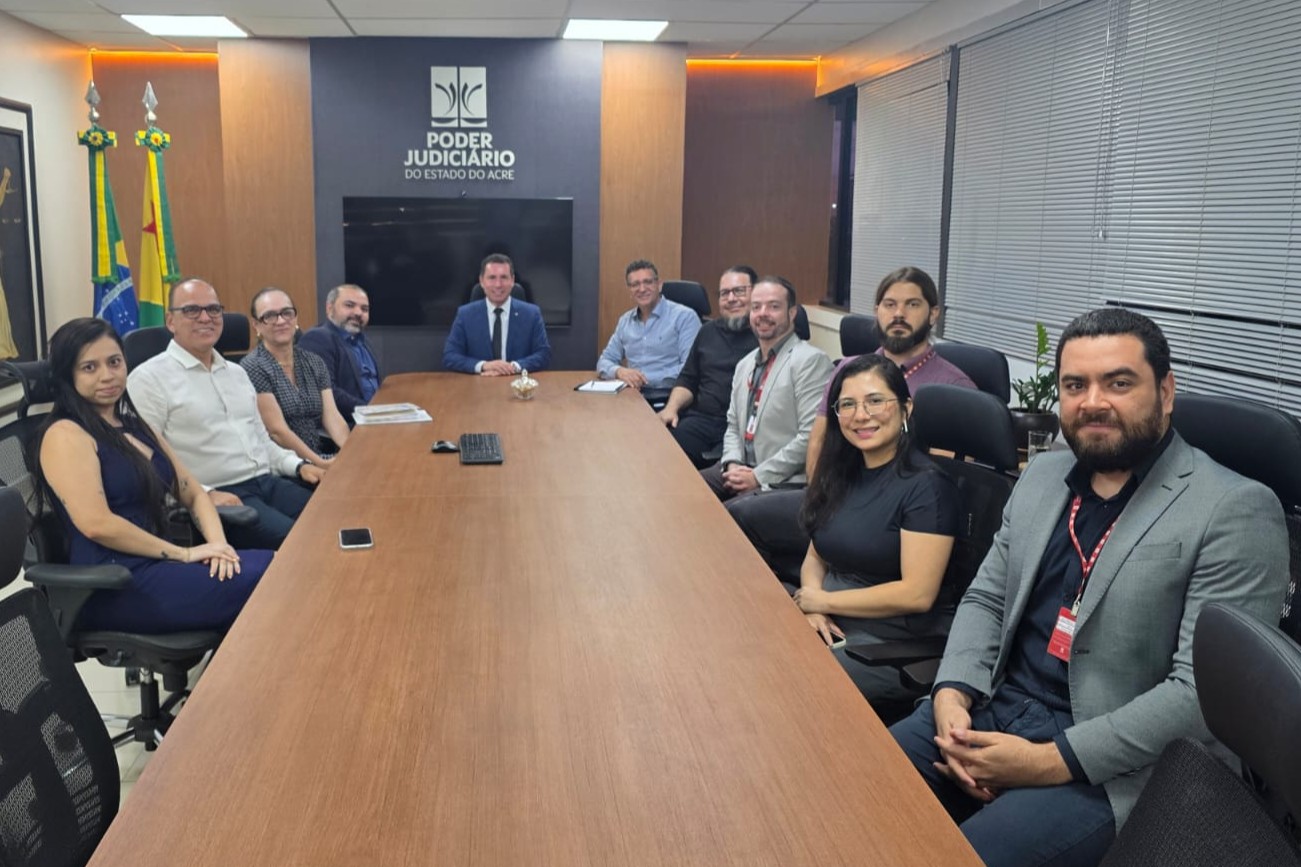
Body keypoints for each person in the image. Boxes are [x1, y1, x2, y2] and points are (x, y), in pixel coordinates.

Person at [890, 308, 1289, 867]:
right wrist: (952, 695)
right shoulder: (1042, 476)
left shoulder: (1235, 508)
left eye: (1118, 383)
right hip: (995, 708)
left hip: (1115, 762)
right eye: (1075, 385)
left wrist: (1047, 762)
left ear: (1166, 391)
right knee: (851, 783)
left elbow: (1200, 695)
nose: (1093, 402)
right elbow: (986, 599)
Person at [732, 266, 978, 587]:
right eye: (889, 304)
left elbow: (940, 478)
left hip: (893, 515)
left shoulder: (953, 388)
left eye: (912, 304)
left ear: (933, 314)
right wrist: (820, 500)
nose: (899, 314)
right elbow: (820, 441)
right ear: (876, 311)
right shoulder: (848, 370)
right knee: (738, 516)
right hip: (838, 496)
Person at [33, 317, 271, 633]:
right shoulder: (65, 434)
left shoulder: (133, 424)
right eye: (90, 367)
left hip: (161, 564)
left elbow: (193, 492)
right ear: (68, 375)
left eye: (114, 362)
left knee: (279, 569)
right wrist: (185, 553)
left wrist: (219, 547)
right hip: (114, 582)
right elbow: (97, 524)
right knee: (274, 580)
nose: (108, 375)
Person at [792, 354, 960, 703]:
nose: (860, 415)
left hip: (891, 646)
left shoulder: (927, 487)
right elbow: (816, 555)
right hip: (832, 619)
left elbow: (917, 594)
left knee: (790, 673)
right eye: (848, 405)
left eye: (875, 401)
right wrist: (813, 606)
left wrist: (824, 599)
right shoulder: (842, 471)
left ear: (906, 409)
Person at [128, 278, 325, 550]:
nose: (205, 318)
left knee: (335, 517)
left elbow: (261, 441)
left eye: (213, 309)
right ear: (171, 321)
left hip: (268, 482)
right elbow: (147, 461)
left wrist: (299, 466)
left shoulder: (237, 373)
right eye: (192, 310)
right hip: (220, 495)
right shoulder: (148, 379)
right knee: (305, 542)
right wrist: (204, 495)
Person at [700, 277, 832, 503]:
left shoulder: (810, 361)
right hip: (741, 466)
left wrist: (758, 476)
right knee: (681, 491)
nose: (763, 313)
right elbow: (733, 425)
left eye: (773, 306)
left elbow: (811, 436)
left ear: (792, 313)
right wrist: (732, 463)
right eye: (756, 307)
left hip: (783, 480)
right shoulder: (745, 364)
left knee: (722, 514)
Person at [658, 266, 760, 468]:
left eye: (739, 291)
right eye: (724, 293)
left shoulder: (765, 335)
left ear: (756, 294)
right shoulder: (707, 332)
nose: (731, 299)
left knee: (724, 472)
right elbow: (688, 379)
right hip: (701, 420)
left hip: (743, 427)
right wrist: (671, 408)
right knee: (662, 453)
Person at [242, 286, 351, 468]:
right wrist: (320, 463)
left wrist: (349, 452)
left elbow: (332, 416)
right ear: (256, 325)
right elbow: (277, 432)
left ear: (295, 318)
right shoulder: (253, 367)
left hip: (321, 455)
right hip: (286, 465)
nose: (280, 321)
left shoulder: (314, 361)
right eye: (270, 316)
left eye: (287, 313)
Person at [596, 259, 701, 397]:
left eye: (648, 282)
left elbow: (690, 369)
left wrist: (643, 379)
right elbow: (604, 361)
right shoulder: (625, 321)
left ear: (659, 285)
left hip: (669, 395)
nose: (642, 289)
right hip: (632, 394)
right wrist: (619, 372)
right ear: (630, 290)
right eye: (635, 284)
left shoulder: (685, 317)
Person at [443, 253, 551, 374]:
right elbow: (450, 356)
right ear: (482, 281)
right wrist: (483, 365)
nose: (498, 284)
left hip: (516, 382)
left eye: (504, 277)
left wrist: (513, 367)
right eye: (492, 278)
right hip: (478, 382)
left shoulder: (531, 314)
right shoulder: (465, 314)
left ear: (512, 280)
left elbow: (543, 354)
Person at [298, 283, 381, 423]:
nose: (358, 312)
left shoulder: (363, 341)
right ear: (329, 308)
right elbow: (327, 392)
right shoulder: (317, 338)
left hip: (374, 417)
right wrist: (370, 410)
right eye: (349, 305)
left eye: (364, 309)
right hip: (346, 423)